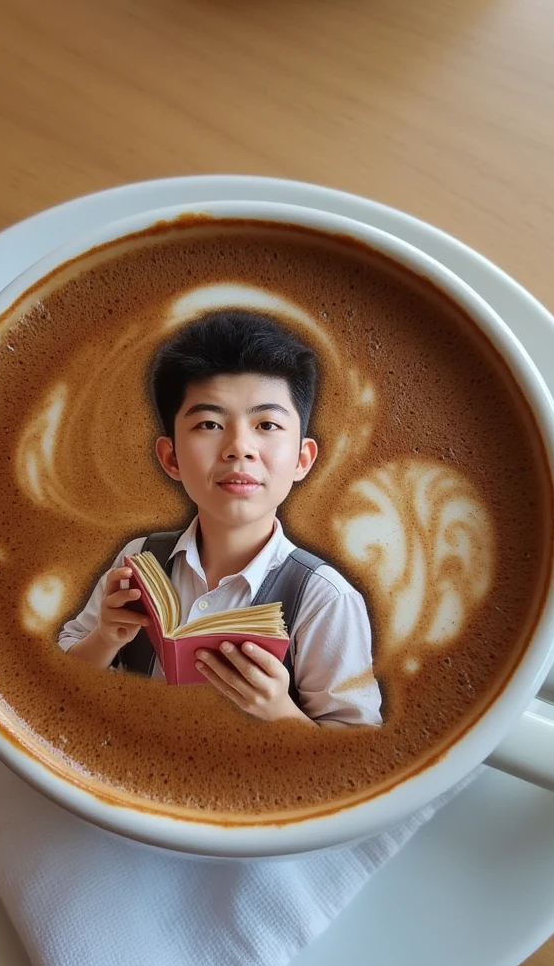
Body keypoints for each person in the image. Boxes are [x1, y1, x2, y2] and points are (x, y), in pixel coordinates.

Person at [59, 310, 382, 728]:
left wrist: (280, 712)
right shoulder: (140, 558)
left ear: (302, 459)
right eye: (209, 423)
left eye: (266, 424)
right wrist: (104, 638)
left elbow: (356, 752)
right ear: (171, 457)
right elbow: (63, 676)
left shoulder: (325, 599)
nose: (239, 448)